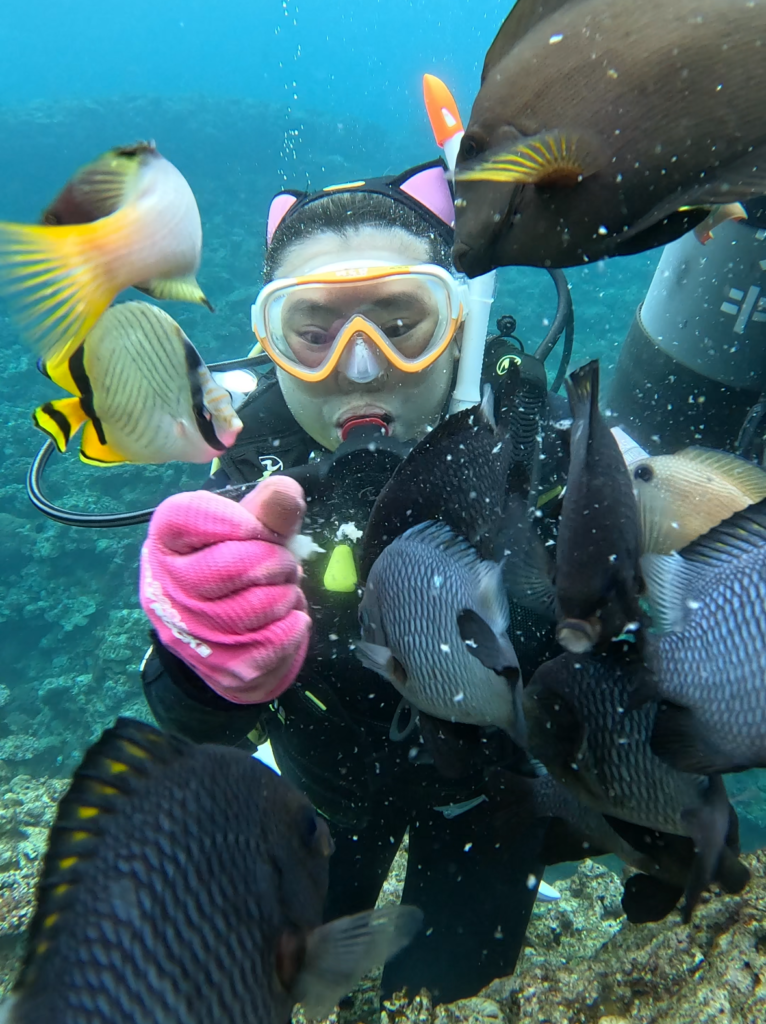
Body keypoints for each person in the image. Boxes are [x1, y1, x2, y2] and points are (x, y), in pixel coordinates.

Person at [138, 160, 569, 1005]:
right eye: (314, 329)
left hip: (488, 803)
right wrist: (203, 658)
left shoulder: (534, 445)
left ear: (461, 321)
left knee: (456, 985)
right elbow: (196, 726)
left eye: (402, 320)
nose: (360, 368)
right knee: (278, 985)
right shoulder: (245, 466)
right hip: (320, 798)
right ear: (272, 345)